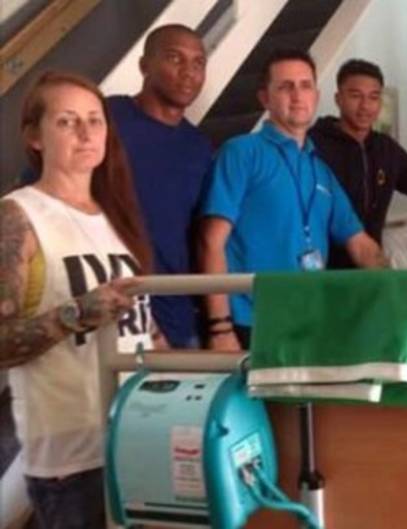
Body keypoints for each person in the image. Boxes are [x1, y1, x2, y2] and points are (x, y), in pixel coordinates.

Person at [0, 71, 154, 528]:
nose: (86, 133)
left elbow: (138, 323)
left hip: (137, 434)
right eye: (67, 121)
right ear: (35, 137)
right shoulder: (18, 216)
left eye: (95, 120)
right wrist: (76, 314)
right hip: (71, 459)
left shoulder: (113, 216)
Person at [199, 49, 386, 351]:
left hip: (311, 321)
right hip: (253, 322)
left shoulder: (320, 169)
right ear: (265, 98)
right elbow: (211, 242)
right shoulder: (241, 152)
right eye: (286, 87)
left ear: (317, 95)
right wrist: (219, 327)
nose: (298, 96)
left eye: (305, 86)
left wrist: (401, 291)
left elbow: (361, 245)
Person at [108, 24, 212, 348]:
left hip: (178, 316)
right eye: (175, 58)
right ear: (144, 66)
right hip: (115, 309)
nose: (189, 72)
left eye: (198, 63)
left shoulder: (199, 146)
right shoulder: (107, 119)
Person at [309, 59, 407, 269]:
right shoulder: (313, 145)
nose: (365, 106)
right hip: (321, 267)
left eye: (373, 97)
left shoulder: (386, 150)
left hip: (369, 264)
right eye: (355, 96)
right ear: (338, 99)